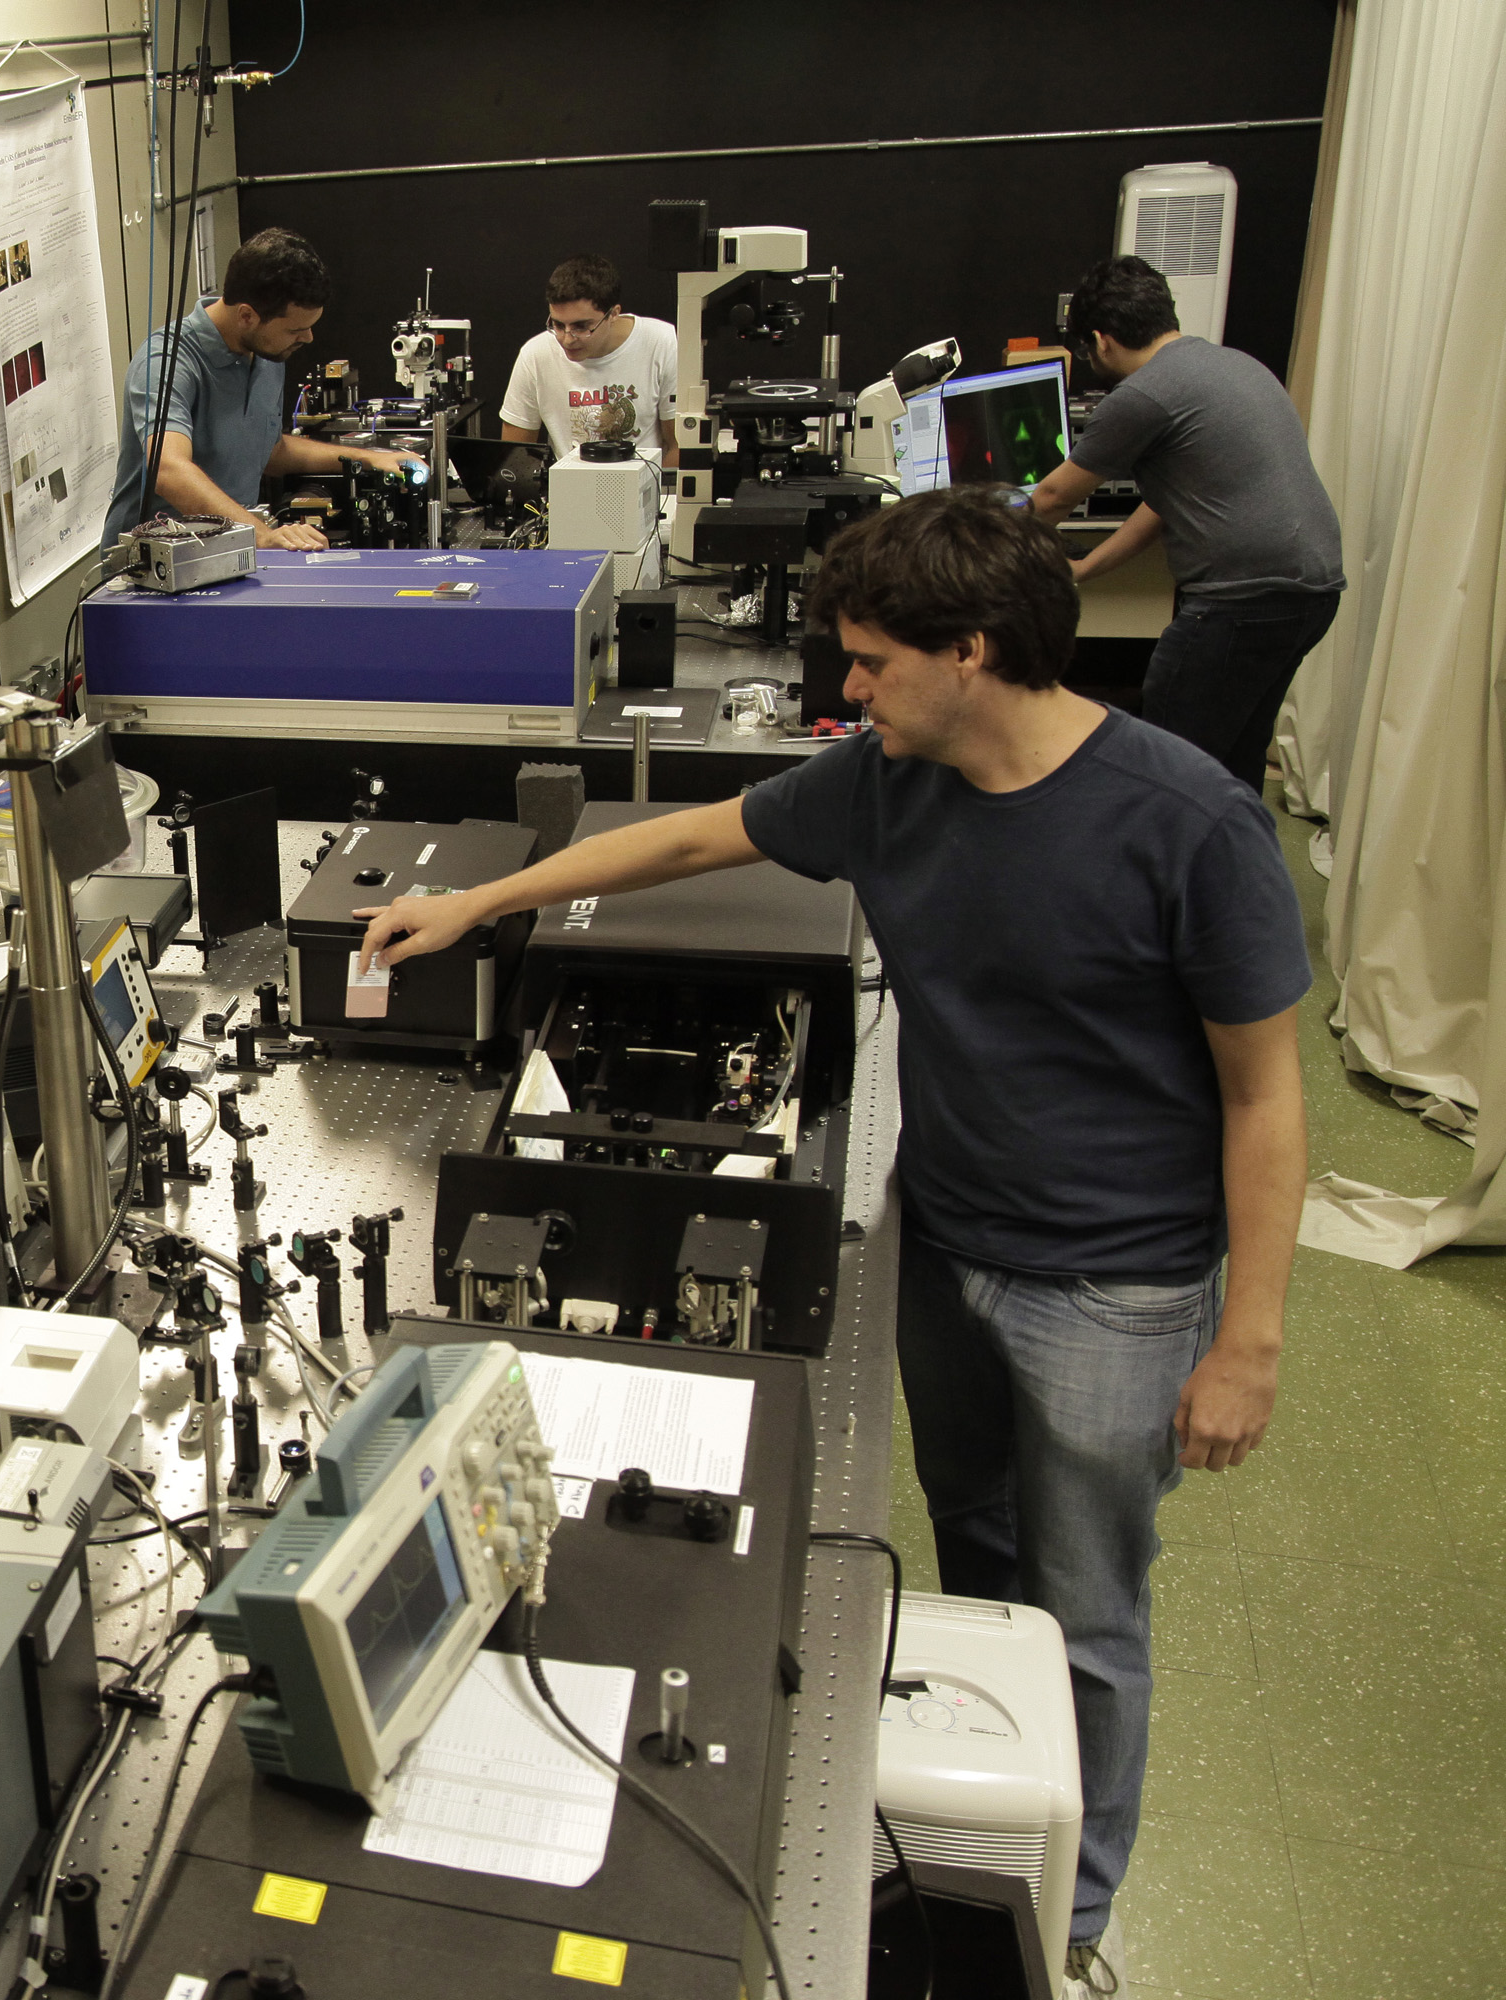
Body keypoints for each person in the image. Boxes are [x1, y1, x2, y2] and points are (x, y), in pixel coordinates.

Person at [356, 488, 1307, 1995]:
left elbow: (1264, 1094)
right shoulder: (888, 783)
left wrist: (1247, 1339)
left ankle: (1066, 1920)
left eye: (869, 663)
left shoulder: (1188, 822)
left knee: (1094, 1608)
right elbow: (686, 841)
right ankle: (973, 1822)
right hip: (944, 1243)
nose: (846, 691)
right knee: (978, 1555)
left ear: (971, 651)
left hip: (1119, 1291)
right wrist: (485, 902)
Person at [1025, 254, 1345, 791]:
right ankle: (1231, 870)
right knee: (1233, 761)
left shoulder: (1142, 395)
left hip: (1241, 600)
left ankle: (1154, 873)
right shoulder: (1235, 364)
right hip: (1312, 591)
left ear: (1101, 341)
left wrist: (978, 539)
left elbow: (1054, 496)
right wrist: (1082, 570)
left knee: (1163, 768)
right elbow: (1165, 506)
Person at [103, 227, 423, 551]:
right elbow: (168, 469)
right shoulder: (167, 360)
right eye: (296, 329)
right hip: (147, 571)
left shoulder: (268, 354)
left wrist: (371, 459)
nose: (308, 338)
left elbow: (270, 452)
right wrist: (261, 534)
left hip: (225, 553)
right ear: (247, 316)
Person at [497, 253, 681, 461]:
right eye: (558, 325)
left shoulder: (661, 341)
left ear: (613, 314)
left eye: (581, 327)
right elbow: (515, 459)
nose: (567, 339)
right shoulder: (535, 354)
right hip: (567, 489)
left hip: (642, 487)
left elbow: (678, 446)